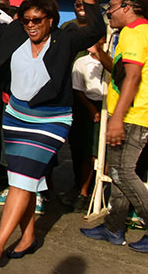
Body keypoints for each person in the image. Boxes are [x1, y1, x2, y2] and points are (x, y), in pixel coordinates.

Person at [0, 0, 104, 267]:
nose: (31, 25)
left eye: (37, 20)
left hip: (50, 121)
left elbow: (96, 30)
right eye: (26, 20)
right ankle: (29, 236)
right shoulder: (14, 33)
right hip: (16, 117)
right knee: (23, 180)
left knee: (21, 183)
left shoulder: (65, 40)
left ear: (51, 20)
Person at [81, 0, 148, 253]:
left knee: (123, 173)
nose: (108, 11)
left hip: (133, 116)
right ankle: (113, 227)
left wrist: (118, 118)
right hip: (134, 114)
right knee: (120, 173)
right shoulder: (137, 32)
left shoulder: (134, 32)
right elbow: (124, 73)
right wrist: (100, 54)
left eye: (112, 5)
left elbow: (132, 78)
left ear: (129, 6)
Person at [58, 38, 105, 213]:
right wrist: (92, 109)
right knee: (83, 150)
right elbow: (77, 89)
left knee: (96, 153)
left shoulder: (110, 62)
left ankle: (90, 191)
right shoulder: (82, 62)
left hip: (105, 107)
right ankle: (81, 189)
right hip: (86, 107)